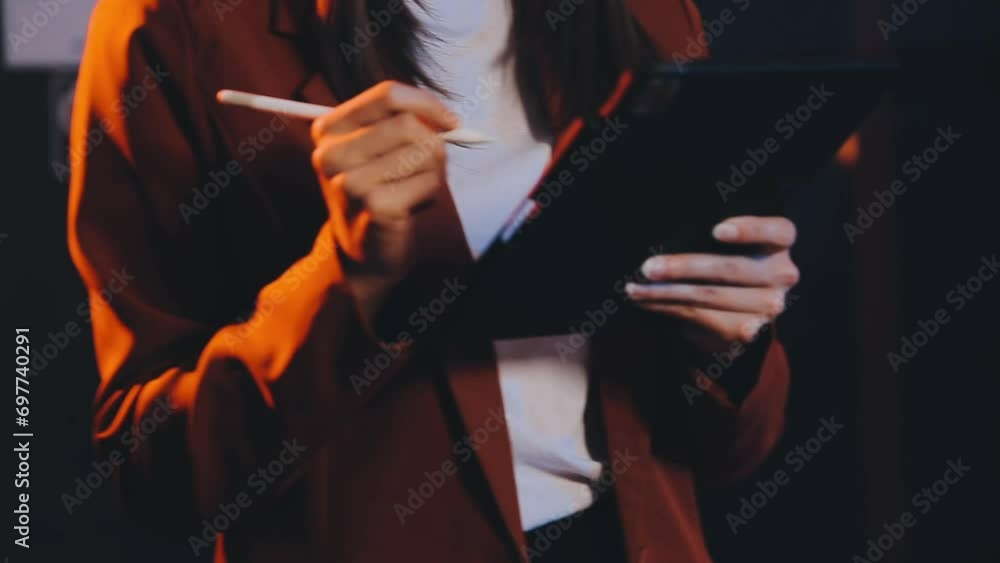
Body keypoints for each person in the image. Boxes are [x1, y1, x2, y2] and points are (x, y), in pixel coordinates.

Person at [68, 0, 798, 561]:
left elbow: (733, 449)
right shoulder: (177, 24)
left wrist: (732, 348)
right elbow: (154, 470)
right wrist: (347, 279)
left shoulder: (645, 12)